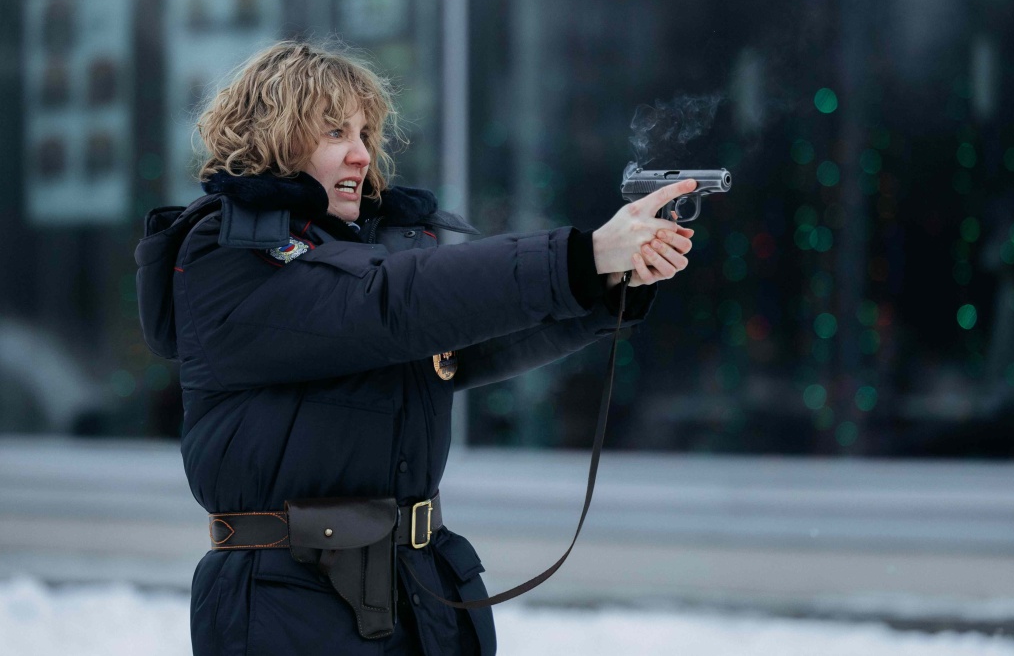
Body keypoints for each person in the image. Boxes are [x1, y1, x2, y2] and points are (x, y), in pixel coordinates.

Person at [135, 40, 697, 656]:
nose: (361, 153)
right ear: (275, 137)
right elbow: (387, 303)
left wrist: (605, 283)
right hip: (289, 605)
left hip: (415, 589)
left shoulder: (369, 254)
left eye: (365, 133)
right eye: (334, 131)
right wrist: (579, 256)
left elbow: (465, 336)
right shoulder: (227, 253)